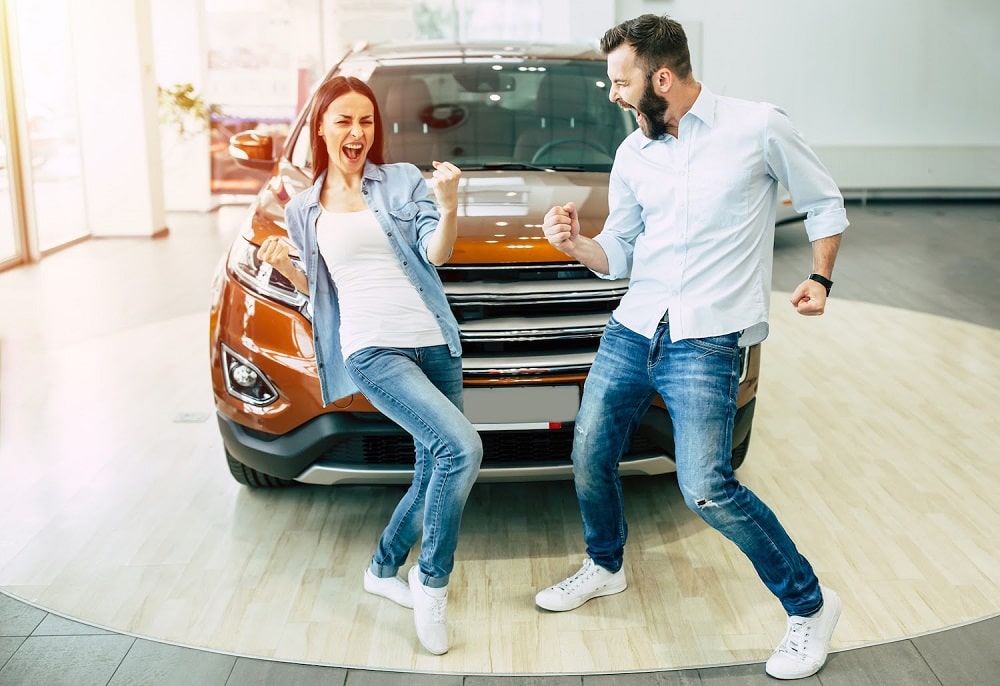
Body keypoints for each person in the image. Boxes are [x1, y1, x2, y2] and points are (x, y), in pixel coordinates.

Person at [535, 14, 848, 680]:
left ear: (663, 77)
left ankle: (810, 607)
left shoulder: (757, 126)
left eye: (622, 82)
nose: (613, 95)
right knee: (589, 450)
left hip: (707, 339)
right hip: (633, 326)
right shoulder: (634, 153)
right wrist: (576, 245)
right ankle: (606, 564)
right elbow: (617, 252)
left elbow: (824, 201)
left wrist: (819, 276)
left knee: (706, 487)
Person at [256, 75, 482, 656]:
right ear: (322, 128)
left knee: (433, 468)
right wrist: (288, 268)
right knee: (462, 448)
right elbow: (321, 293)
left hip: (434, 342)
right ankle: (431, 582)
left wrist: (449, 206)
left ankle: (382, 568)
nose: (357, 132)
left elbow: (438, 253)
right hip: (372, 349)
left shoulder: (403, 182)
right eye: (343, 121)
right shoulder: (304, 208)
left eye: (366, 121)